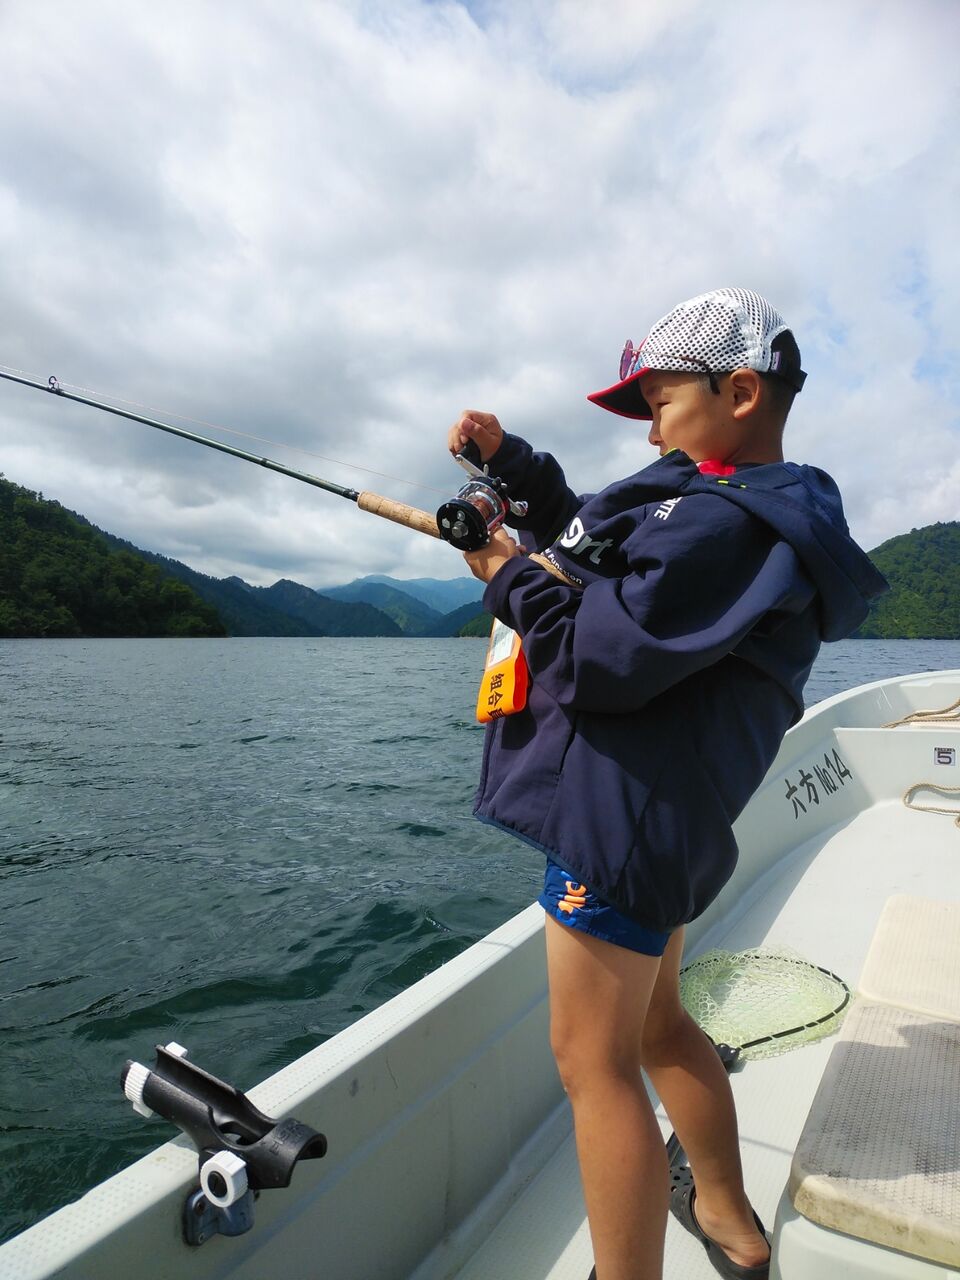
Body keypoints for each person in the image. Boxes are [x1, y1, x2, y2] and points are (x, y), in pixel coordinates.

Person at [446, 288, 887, 1280]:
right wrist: (514, 470)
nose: (650, 431)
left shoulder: (728, 523)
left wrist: (504, 575)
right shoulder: (719, 502)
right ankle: (728, 1218)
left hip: (618, 821)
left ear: (741, 391)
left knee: (593, 1067)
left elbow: (600, 657)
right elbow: (598, 541)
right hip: (661, 819)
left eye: (661, 402)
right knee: (657, 1024)